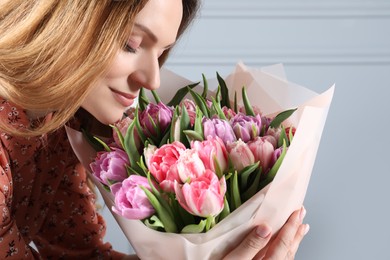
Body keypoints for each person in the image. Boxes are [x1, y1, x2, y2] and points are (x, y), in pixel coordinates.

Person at [0, 0, 309, 259]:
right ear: (64, 20)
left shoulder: (57, 123)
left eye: (161, 53)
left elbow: (81, 254)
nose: (153, 80)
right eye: (130, 44)